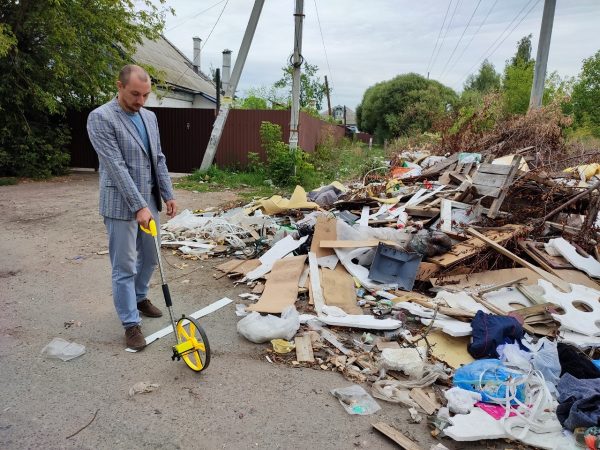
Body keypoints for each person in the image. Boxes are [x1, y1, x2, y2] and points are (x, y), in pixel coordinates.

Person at [87, 64, 177, 350]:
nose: (140, 101)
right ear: (119, 86)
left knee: (150, 257)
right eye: (135, 94)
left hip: (148, 200)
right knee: (124, 265)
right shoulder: (100, 118)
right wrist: (138, 207)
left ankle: (139, 297)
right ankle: (130, 324)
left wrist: (167, 193)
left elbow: (158, 158)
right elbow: (115, 166)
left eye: (145, 95)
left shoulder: (149, 117)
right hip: (120, 204)